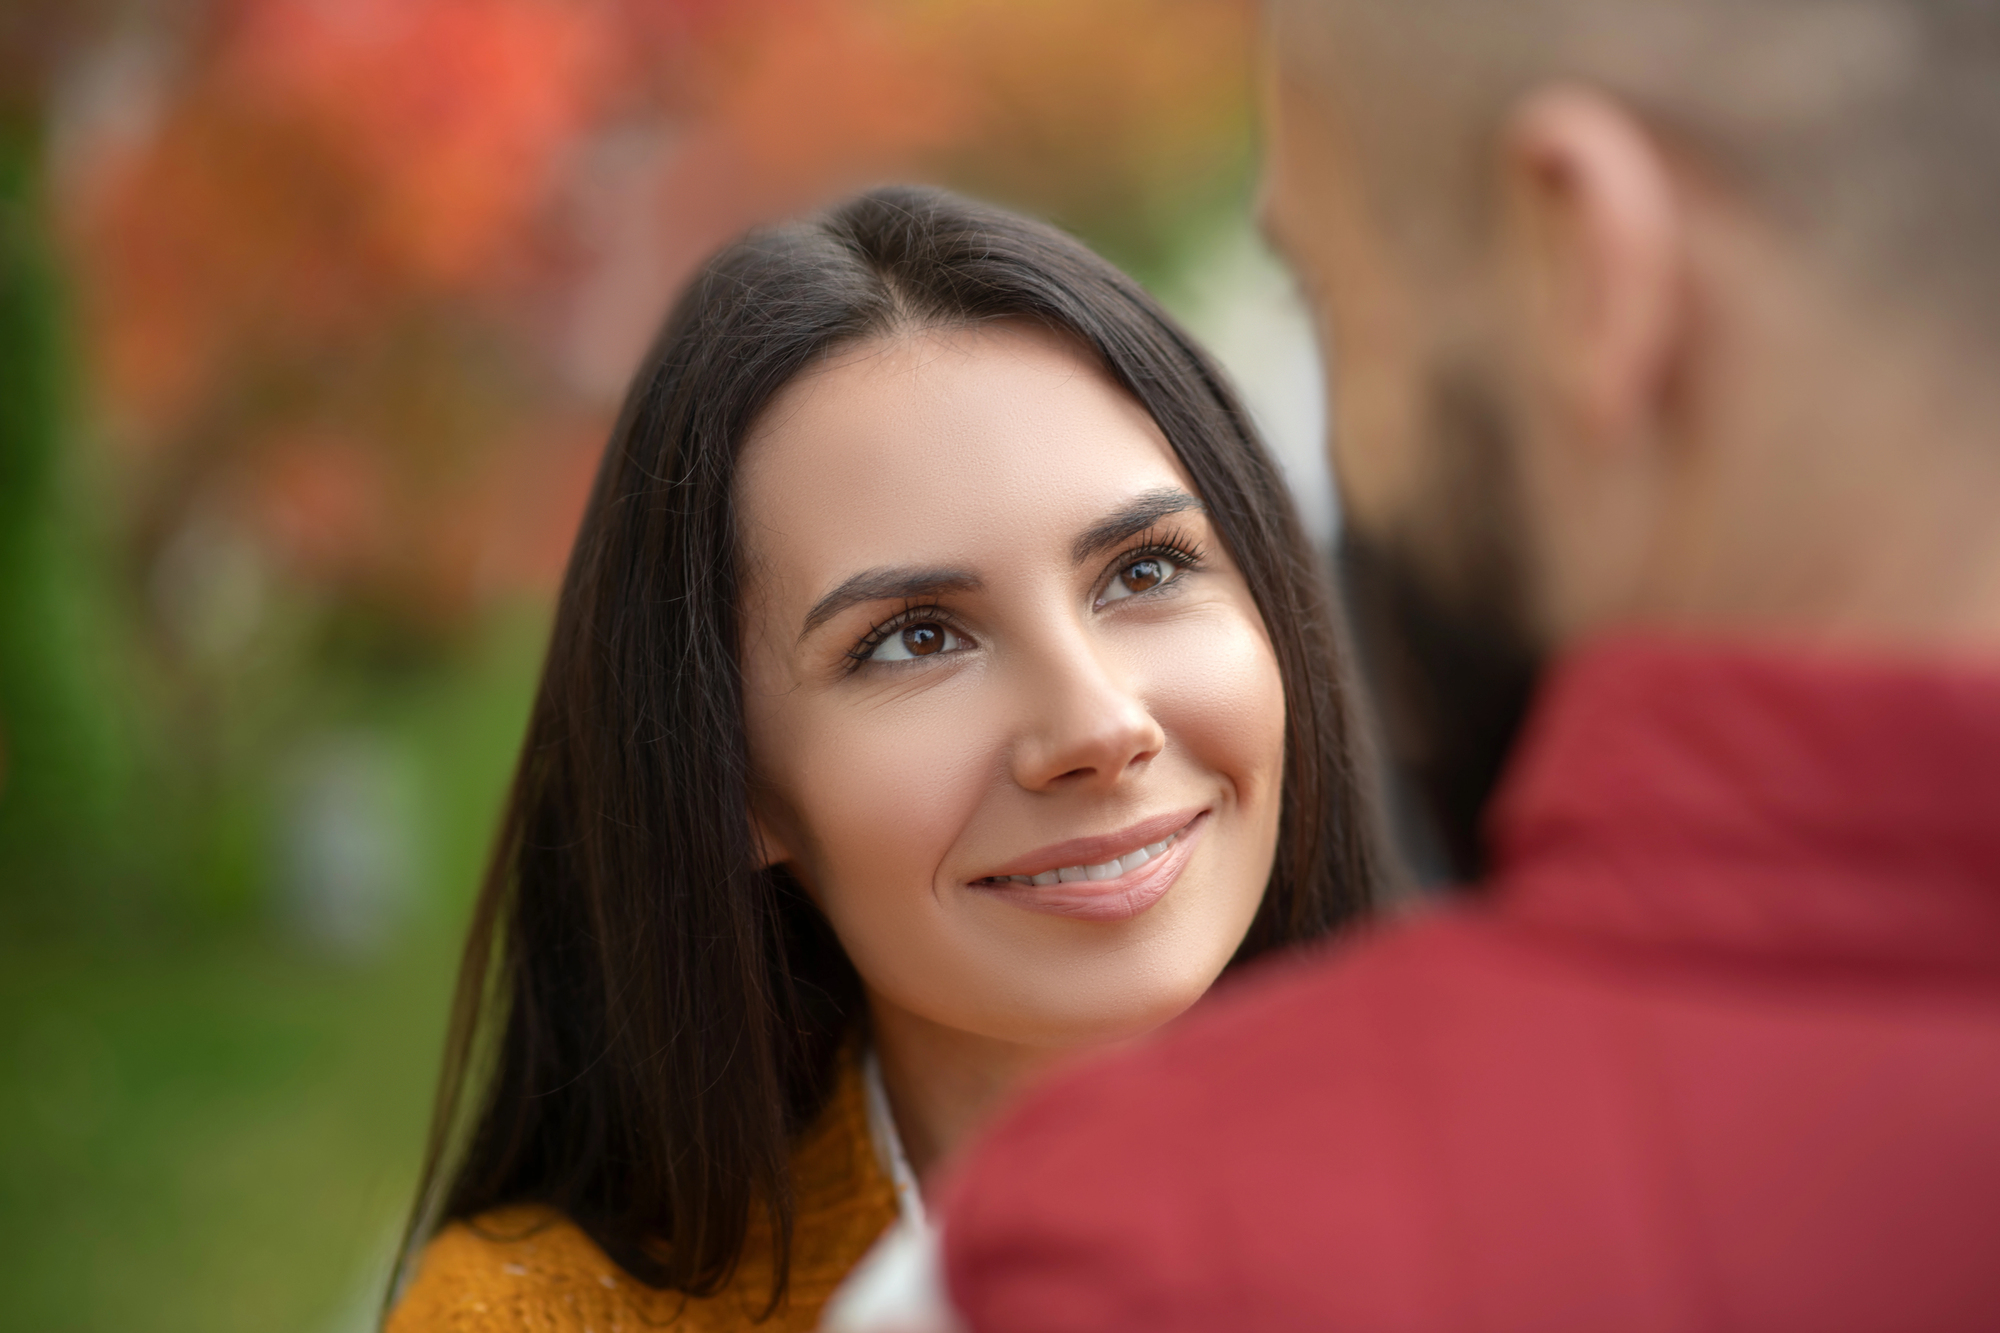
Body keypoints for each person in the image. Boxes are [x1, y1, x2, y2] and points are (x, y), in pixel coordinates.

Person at [921, 1, 2000, 1329]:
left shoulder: (1116, 1259)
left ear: (1588, 269)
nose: (1096, 724)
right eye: (917, 637)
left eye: (1338, 308)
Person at [381, 186, 1385, 1333]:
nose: (1099, 725)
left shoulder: (1573, 1170)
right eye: (916, 637)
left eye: (1143, 570)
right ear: (733, 780)